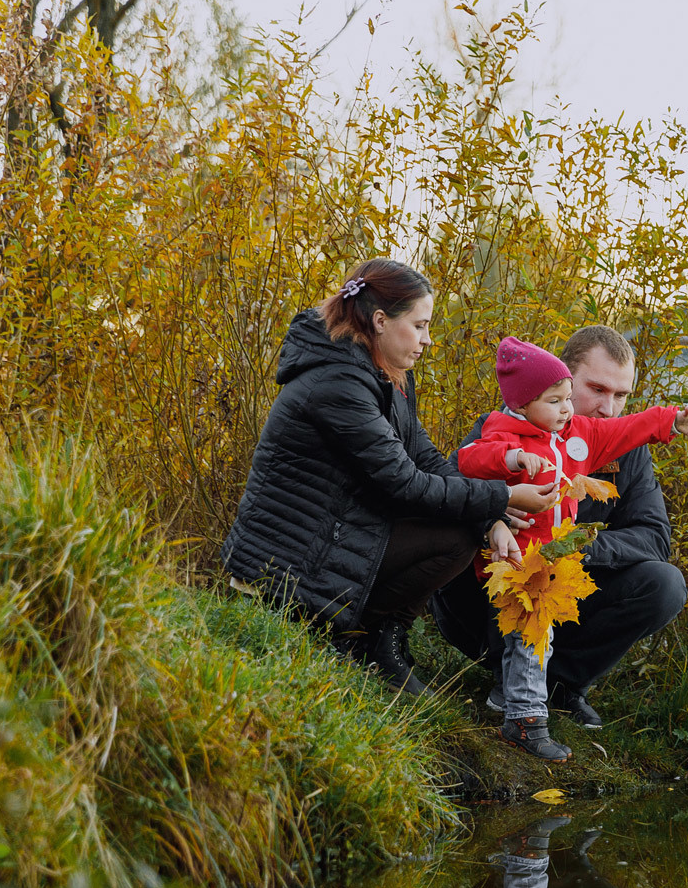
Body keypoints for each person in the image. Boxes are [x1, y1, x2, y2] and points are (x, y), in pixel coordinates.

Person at [220, 257, 560, 694]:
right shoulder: (337, 380)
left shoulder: (385, 373)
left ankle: (378, 640)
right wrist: (503, 499)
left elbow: (427, 459)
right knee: (453, 531)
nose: (427, 340)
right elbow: (403, 482)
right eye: (419, 326)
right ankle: (342, 633)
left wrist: (490, 519)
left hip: (339, 530)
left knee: (462, 529)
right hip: (284, 566)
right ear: (380, 321)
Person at [456, 335, 688, 761]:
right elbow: (456, 478)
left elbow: (654, 536)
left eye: (621, 394)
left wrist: (576, 547)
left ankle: (560, 685)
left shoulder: (620, 446)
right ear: (562, 378)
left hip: (565, 586)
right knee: (473, 542)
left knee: (664, 584)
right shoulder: (507, 427)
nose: (609, 407)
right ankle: (510, 690)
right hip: (492, 591)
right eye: (596, 389)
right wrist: (493, 519)